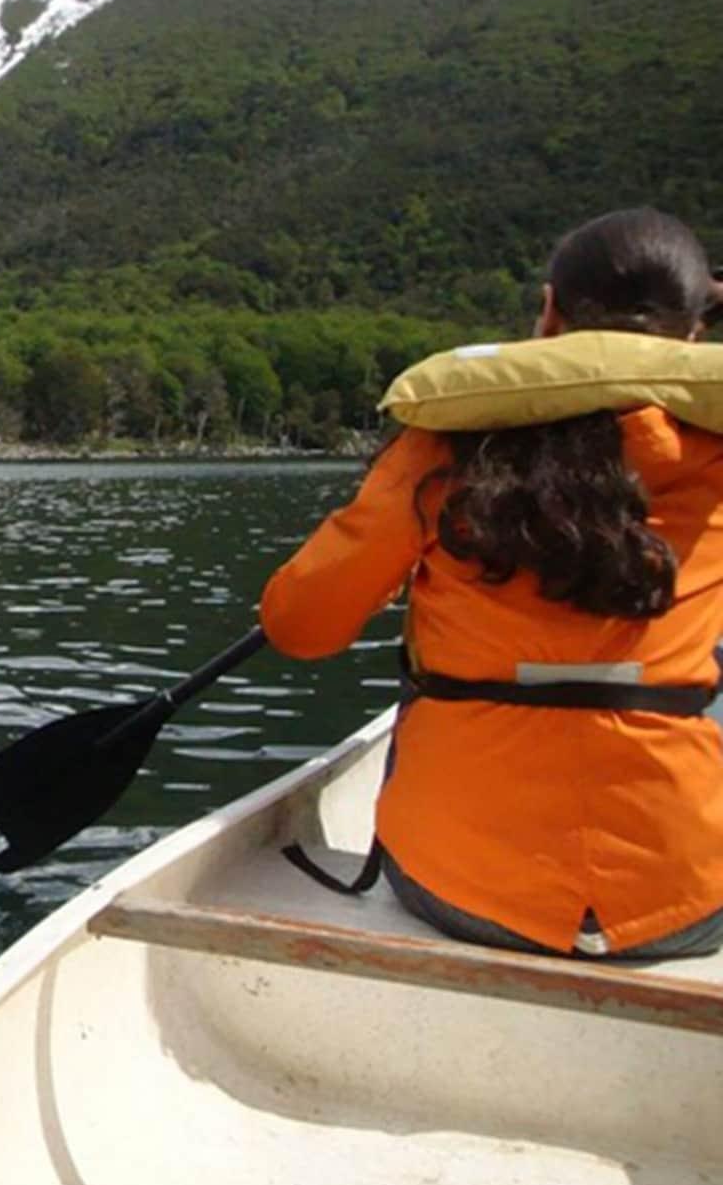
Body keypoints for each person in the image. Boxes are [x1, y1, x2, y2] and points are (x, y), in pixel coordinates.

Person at [261, 206, 723, 960]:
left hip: (466, 892)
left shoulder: (445, 444)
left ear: (547, 312)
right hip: (690, 900)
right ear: (694, 336)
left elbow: (298, 626)